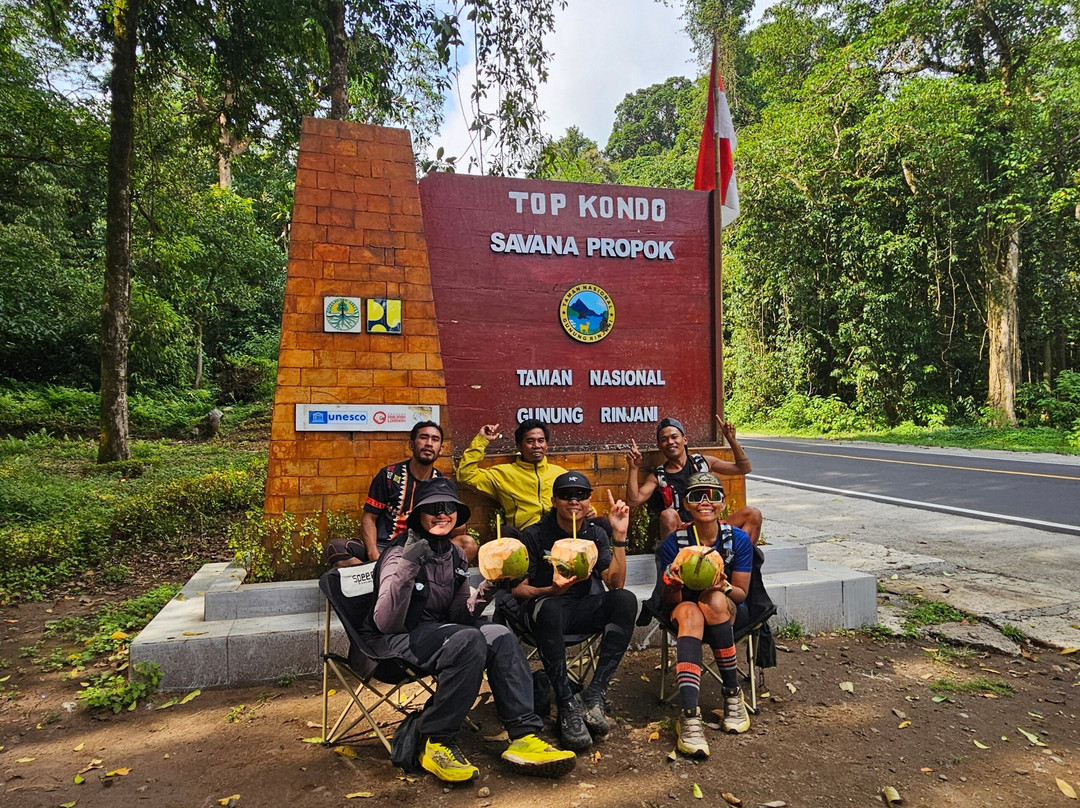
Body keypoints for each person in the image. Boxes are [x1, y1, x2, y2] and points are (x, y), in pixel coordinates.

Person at [361, 477, 575, 783]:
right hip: (396, 640)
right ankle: (435, 740)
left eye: (448, 507)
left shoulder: (455, 554)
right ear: (419, 514)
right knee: (469, 639)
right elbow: (386, 622)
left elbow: (461, 613)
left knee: (499, 636)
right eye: (432, 507)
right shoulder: (398, 554)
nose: (442, 513)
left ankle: (523, 736)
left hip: (441, 632)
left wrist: (489, 586)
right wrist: (408, 567)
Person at [511, 471, 636, 752]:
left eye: (580, 495)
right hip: (542, 612)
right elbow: (518, 590)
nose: (574, 501)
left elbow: (615, 583)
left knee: (625, 600)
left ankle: (595, 692)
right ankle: (566, 701)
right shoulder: (534, 534)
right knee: (552, 607)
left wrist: (619, 535)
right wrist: (550, 590)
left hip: (581, 609)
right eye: (567, 495)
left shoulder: (595, 533)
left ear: (588, 499)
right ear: (554, 500)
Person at [650, 471, 754, 759]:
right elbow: (670, 600)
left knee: (713, 598)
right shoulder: (676, 542)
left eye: (713, 496)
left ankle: (732, 694)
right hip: (686, 614)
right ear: (687, 504)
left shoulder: (738, 540)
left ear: (722, 503)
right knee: (691, 612)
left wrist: (723, 584)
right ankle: (689, 716)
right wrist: (671, 583)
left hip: (724, 610)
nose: (705, 502)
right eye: (697, 496)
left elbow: (742, 594)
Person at [325, 421, 477, 567]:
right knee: (337, 548)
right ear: (411, 444)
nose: (429, 443)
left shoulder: (443, 484)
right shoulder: (389, 475)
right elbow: (369, 518)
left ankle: (430, 579)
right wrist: (374, 557)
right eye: (423, 437)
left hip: (424, 551)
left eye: (435, 439)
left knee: (467, 544)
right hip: (384, 547)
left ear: (441, 448)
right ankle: (375, 579)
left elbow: (457, 527)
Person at [625, 416, 762, 543]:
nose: (670, 442)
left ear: (685, 439)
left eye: (674, 437)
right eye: (664, 439)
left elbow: (743, 468)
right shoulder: (659, 476)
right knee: (668, 515)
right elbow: (633, 500)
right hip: (685, 532)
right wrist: (633, 468)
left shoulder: (703, 462)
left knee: (753, 514)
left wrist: (731, 440)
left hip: (711, 524)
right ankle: (675, 565)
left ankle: (737, 561)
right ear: (660, 446)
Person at [456, 419, 567, 529]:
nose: (536, 445)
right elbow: (466, 475)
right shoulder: (502, 474)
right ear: (519, 446)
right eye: (530, 441)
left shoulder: (560, 474)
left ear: (547, 445)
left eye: (541, 440)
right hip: (523, 534)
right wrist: (481, 441)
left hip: (556, 533)